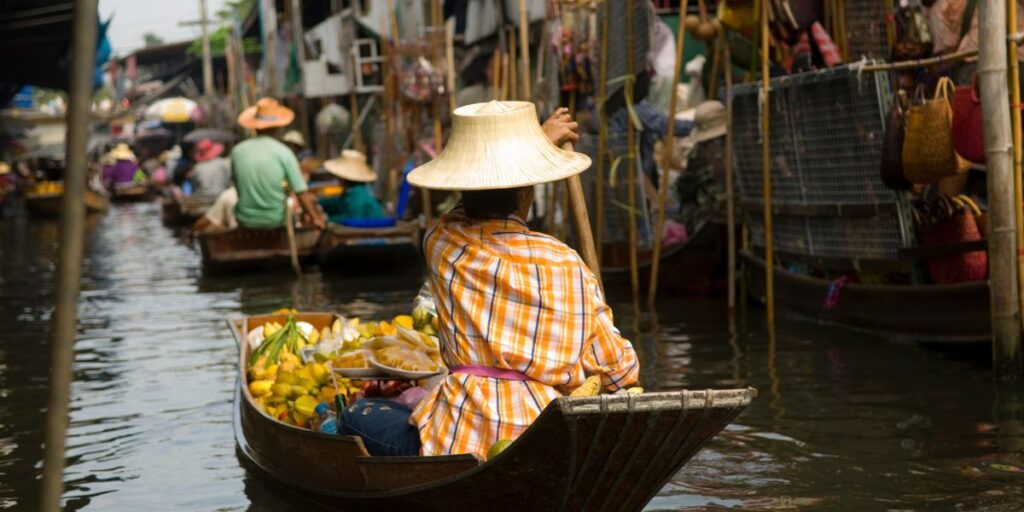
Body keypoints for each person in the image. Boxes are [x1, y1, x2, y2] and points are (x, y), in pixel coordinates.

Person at [339, 101, 639, 458]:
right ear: (526, 192)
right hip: (543, 436)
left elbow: (457, 216)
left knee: (355, 415)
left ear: (464, 190)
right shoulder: (568, 262)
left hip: (456, 438)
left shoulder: (444, 243)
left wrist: (538, 142)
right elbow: (620, 371)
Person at [230, 98, 325, 230]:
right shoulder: (283, 152)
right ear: (277, 127)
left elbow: (237, 185)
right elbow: (300, 192)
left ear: (255, 126)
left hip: (245, 220)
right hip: (276, 221)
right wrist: (315, 219)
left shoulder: (237, 151)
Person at [318, 149, 386, 224]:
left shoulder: (358, 193)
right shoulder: (350, 192)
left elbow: (351, 218)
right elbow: (338, 203)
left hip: (371, 231)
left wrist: (327, 219)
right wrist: (319, 202)